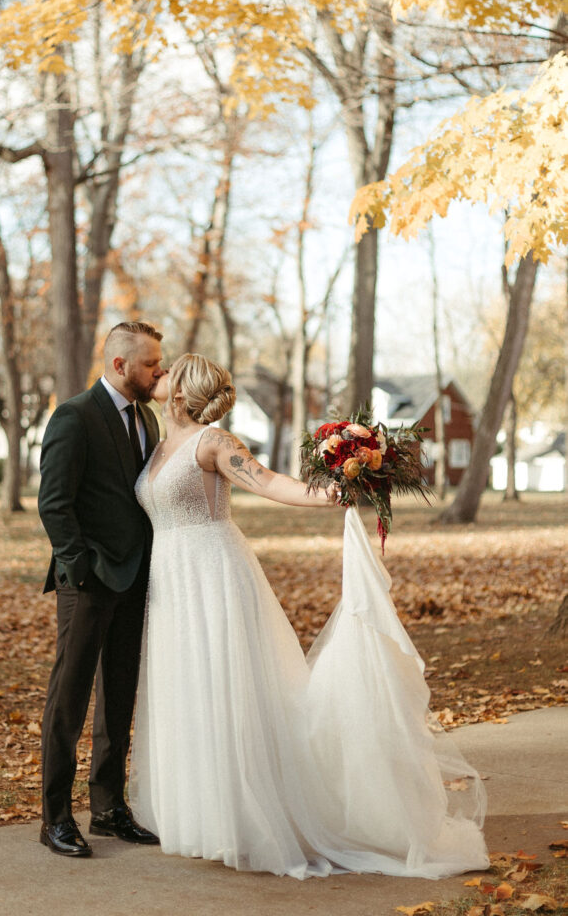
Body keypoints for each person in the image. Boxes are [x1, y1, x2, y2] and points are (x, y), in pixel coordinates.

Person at [130, 353, 489, 880]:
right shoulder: (159, 445)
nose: (157, 377)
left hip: (213, 574)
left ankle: (251, 820)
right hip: (171, 582)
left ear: (181, 393)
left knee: (226, 689)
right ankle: (205, 819)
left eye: (167, 373)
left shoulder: (215, 442)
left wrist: (341, 487)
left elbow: (271, 483)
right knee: (189, 690)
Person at [37, 321, 165, 857]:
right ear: (119, 365)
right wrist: (79, 564)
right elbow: (54, 502)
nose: (160, 371)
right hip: (88, 581)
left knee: (118, 696)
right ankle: (56, 819)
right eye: (151, 364)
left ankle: (109, 809)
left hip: (137, 578)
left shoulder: (150, 420)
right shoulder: (74, 416)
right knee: (68, 700)